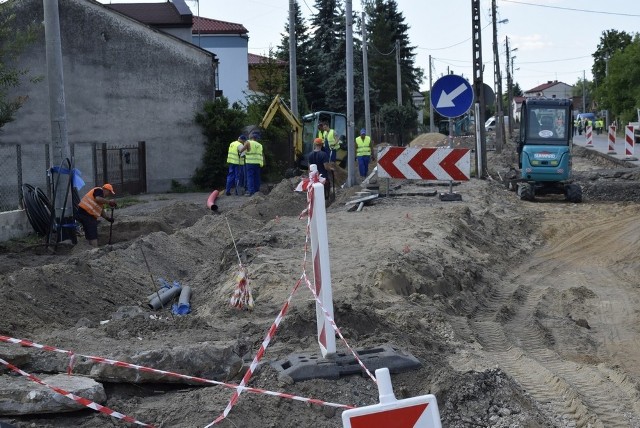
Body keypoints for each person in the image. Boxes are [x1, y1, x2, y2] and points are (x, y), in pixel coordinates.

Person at [243, 131, 264, 196]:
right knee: (257, 177)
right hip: (257, 163)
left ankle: (251, 191)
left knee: (250, 177)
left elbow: (243, 151)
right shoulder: (260, 145)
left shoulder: (248, 142)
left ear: (252, 137)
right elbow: (261, 154)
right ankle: (257, 191)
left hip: (249, 163)